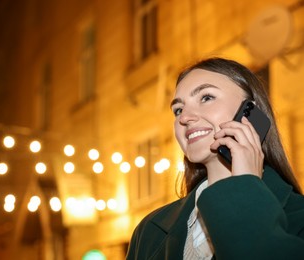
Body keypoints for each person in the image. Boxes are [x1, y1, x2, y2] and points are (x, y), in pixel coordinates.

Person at [126, 57, 304, 259]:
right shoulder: (148, 231)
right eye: (178, 109)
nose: (184, 118)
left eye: (206, 97)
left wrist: (246, 189)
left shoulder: (298, 216)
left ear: (251, 113)